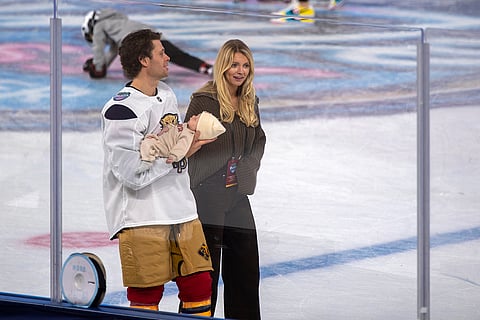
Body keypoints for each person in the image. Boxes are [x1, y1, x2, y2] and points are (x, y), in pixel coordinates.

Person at [101, 28, 216, 316]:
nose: (168, 57)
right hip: (142, 217)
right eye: (161, 52)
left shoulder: (165, 94)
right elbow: (132, 176)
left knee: (200, 286)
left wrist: (190, 138)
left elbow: (171, 143)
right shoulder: (121, 111)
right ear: (143, 60)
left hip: (182, 210)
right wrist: (181, 154)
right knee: (146, 294)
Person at [184, 39, 266, 319]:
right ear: (222, 66)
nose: (240, 70)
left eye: (245, 65)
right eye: (234, 64)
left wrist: (247, 168)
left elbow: (258, 140)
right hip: (207, 195)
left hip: (237, 194)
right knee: (205, 274)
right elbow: (188, 144)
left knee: (245, 269)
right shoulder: (203, 100)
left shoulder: (249, 100)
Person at [81, 9, 213, 78]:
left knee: (132, 73)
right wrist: (103, 64)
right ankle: (208, 68)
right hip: (153, 35)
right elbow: (113, 50)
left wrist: (98, 68)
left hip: (135, 43)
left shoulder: (99, 26)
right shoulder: (118, 23)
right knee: (177, 55)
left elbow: (98, 48)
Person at [137, 111, 226, 173]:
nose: (193, 116)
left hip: (165, 147)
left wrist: (174, 156)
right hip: (160, 140)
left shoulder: (188, 135)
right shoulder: (185, 126)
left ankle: (147, 161)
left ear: (198, 129)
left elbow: (182, 147)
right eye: (196, 115)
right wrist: (168, 128)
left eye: (196, 119)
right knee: (148, 140)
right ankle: (150, 153)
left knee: (147, 144)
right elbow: (175, 129)